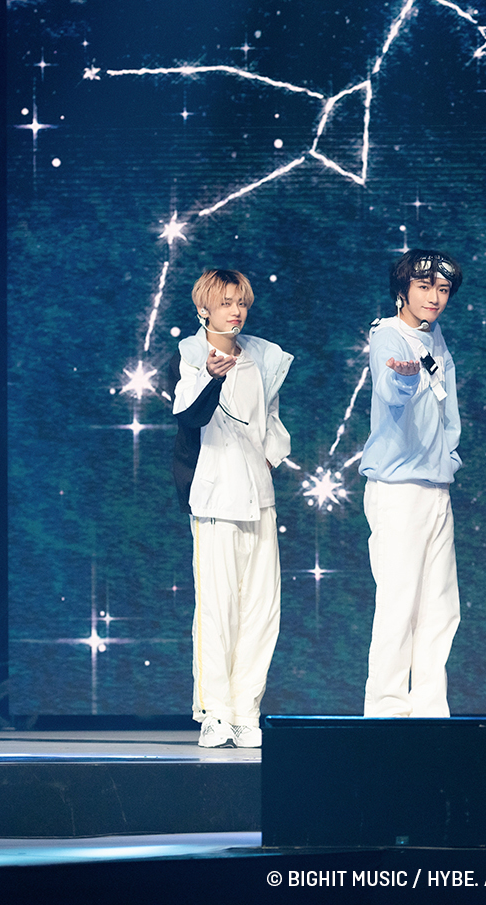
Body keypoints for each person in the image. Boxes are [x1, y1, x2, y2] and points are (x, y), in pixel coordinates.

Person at [170, 269, 292, 748]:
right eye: (225, 303)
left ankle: (245, 711)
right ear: (204, 309)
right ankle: (215, 713)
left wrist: (271, 455)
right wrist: (210, 376)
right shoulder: (191, 356)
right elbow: (188, 415)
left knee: (261, 611)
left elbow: (271, 418)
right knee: (217, 611)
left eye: (241, 302)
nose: (236, 311)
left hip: (259, 497)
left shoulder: (263, 357)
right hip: (215, 498)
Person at [359, 249, 464, 717]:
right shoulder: (388, 335)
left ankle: (429, 710)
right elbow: (390, 390)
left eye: (442, 289)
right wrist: (403, 380)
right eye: (424, 287)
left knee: (440, 607)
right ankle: (385, 712)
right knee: (398, 604)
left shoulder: (433, 336)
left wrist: (449, 458)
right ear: (403, 291)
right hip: (398, 489)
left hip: (435, 485)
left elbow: (446, 406)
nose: (434, 298)